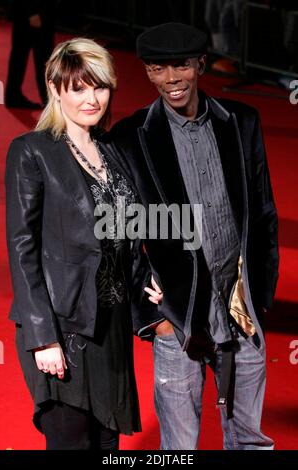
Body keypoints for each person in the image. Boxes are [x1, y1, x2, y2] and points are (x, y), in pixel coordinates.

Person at [109, 23, 279, 450]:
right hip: (178, 316)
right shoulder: (130, 139)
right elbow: (120, 234)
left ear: (200, 64)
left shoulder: (241, 122)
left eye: (181, 66)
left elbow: (261, 213)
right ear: (146, 73)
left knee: (250, 441)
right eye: (158, 69)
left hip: (240, 307)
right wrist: (157, 319)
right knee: (179, 449)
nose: (172, 79)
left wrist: (259, 296)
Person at [5, 37, 160, 450]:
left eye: (100, 86)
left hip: (108, 325)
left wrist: (154, 280)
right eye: (78, 88)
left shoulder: (113, 151)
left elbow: (129, 233)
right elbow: (22, 248)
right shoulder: (32, 152)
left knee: (107, 442)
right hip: (62, 325)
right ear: (56, 89)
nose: (92, 99)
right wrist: (42, 337)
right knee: (72, 442)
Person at [5, 0, 55, 108]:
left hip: (30, 12)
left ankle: (13, 96)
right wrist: (31, 12)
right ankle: (48, 100)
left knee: (21, 55)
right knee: (42, 57)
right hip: (33, 12)